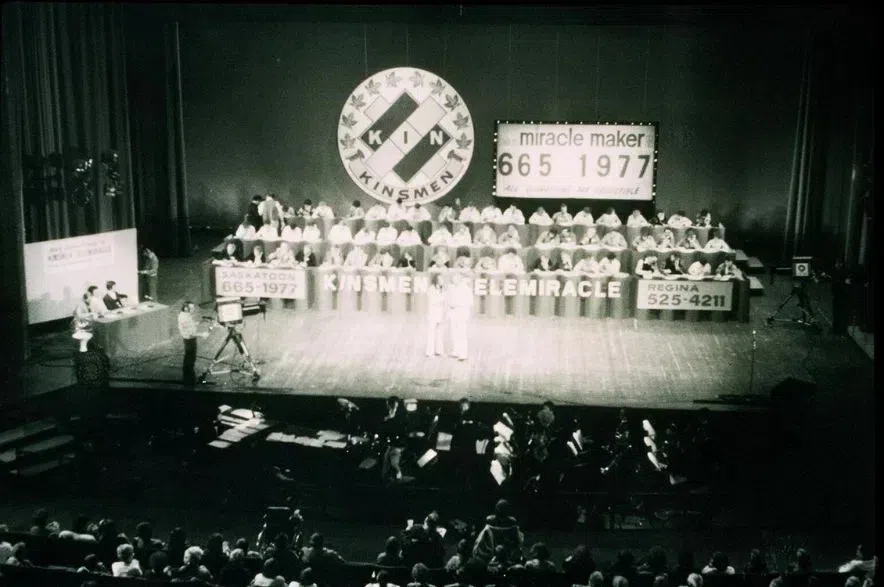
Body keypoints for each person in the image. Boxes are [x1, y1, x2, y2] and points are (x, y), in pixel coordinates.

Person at [178, 301, 209, 386]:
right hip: (189, 341)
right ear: (186, 308)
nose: (193, 309)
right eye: (191, 308)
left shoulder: (186, 315)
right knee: (190, 360)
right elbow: (189, 333)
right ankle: (189, 381)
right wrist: (202, 334)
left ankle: (189, 379)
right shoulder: (183, 318)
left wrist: (199, 322)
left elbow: (190, 325)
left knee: (190, 360)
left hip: (190, 340)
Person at [447, 273, 473, 361]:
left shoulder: (466, 289)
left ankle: (463, 354)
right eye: (453, 279)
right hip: (453, 312)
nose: (454, 281)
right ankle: (456, 351)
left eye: (456, 279)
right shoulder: (453, 289)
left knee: (461, 333)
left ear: (460, 279)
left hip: (462, 313)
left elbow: (470, 302)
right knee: (454, 332)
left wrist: (457, 304)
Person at [425, 274, 446, 357]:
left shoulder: (442, 289)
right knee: (431, 333)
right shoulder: (431, 289)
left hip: (440, 314)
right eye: (440, 279)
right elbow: (434, 301)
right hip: (433, 314)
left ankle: (439, 351)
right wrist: (443, 298)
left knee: (440, 333)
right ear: (436, 280)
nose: (442, 281)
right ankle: (429, 352)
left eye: (442, 279)